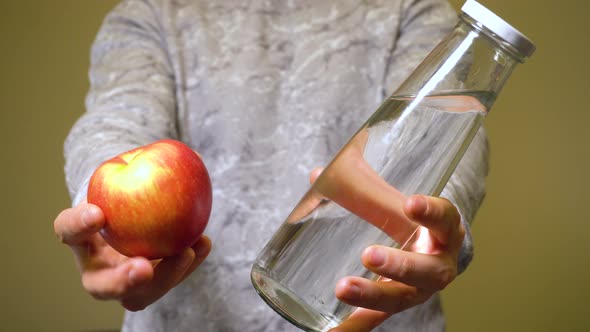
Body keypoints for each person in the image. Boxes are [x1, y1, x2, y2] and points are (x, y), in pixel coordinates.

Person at [54, 0, 489, 331]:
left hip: (372, 313)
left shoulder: (410, 9)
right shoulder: (152, 12)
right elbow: (113, 123)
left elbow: (445, 128)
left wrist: (437, 218)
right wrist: (105, 220)